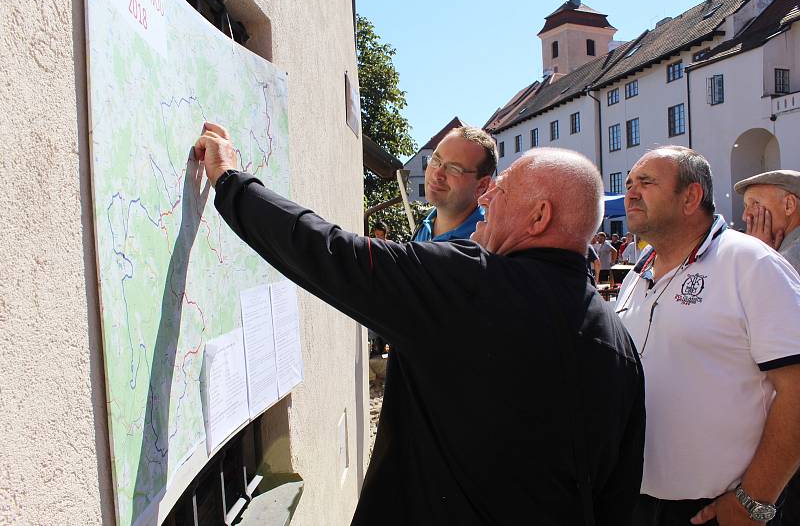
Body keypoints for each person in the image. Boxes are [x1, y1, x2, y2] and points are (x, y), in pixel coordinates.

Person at [196, 123, 645, 526]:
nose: (486, 200)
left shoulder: (471, 282)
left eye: (500, 191)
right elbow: (618, 497)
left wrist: (231, 182)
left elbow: (333, 253)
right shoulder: (620, 346)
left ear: (539, 216)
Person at [615, 146, 800, 526]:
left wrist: (754, 500)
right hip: (639, 502)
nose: (630, 192)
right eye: (630, 182)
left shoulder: (750, 263)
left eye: (646, 183)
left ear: (691, 197)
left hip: (720, 509)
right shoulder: (636, 276)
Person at [735, 170, 800, 526]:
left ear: (789, 205)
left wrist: (758, 257)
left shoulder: (781, 260)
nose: (746, 217)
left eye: (755, 206)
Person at [412, 126, 495, 242]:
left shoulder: (489, 243)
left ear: (482, 185)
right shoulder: (423, 227)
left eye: (454, 169)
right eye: (435, 161)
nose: (437, 174)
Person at [734, 170, 800, 273]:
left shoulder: (794, 255)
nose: (745, 216)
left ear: (789, 205)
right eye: (746, 206)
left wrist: (758, 252)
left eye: (755, 203)